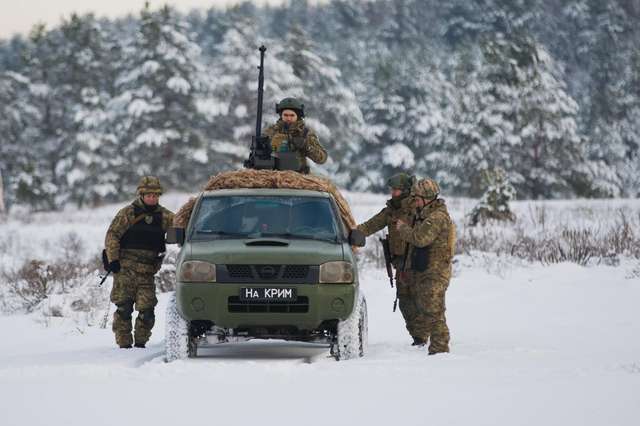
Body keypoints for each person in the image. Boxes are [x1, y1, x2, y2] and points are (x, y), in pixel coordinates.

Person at [104, 176, 175, 348]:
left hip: (147, 272)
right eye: (149, 195)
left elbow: (182, 226)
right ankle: (124, 346)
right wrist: (113, 259)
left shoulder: (165, 216)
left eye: (156, 195)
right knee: (124, 309)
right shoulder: (128, 213)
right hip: (125, 269)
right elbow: (112, 235)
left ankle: (141, 345)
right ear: (142, 195)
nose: (152, 198)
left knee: (147, 311)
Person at [356, 173, 421, 344]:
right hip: (400, 265)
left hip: (417, 264)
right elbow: (372, 224)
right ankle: (419, 337)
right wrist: (354, 232)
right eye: (392, 189)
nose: (393, 193)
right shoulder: (391, 210)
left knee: (421, 301)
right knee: (404, 302)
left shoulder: (416, 209)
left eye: (397, 190)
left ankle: (426, 335)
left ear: (406, 191)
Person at [395, 178, 456, 355]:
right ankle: (434, 346)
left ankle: (440, 349)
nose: (415, 202)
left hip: (435, 273)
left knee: (434, 311)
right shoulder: (427, 214)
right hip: (428, 271)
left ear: (426, 198)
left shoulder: (436, 218)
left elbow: (420, 239)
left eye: (417, 198)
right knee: (428, 309)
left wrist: (403, 229)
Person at [263, 97, 327, 173]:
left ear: (298, 116)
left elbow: (322, 158)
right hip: (273, 174)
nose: (289, 118)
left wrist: (306, 146)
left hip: (298, 176)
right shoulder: (272, 131)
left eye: (292, 115)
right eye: (285, 115)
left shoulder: (305, 133)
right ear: (281, 115)